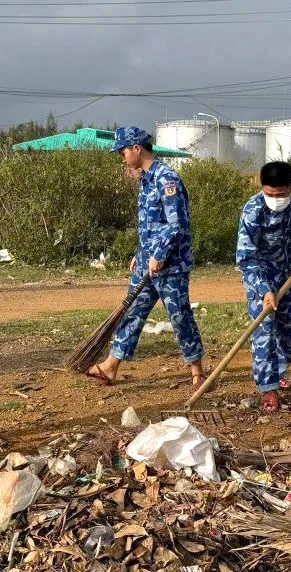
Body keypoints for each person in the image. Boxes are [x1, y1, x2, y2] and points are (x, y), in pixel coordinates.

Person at [85, 127, 205, 390]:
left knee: (179, 316)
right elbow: (151, 225)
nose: (122, 157)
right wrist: (140, 255)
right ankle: (111, 367)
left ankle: (197, 371)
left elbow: (177, 224)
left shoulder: (166, 179)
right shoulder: (146, 180)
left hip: (171, 265)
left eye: (123, 151)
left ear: (137, 148)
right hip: (147, 264)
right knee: (132, 311)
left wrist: (159, 255)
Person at [236, 161, 291, 413]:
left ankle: (279, 371)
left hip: (290, 273)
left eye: (281, 194)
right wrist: (263, 290)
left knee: (290, 332)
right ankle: (268, 388)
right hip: (261, 275)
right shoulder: (253, 211)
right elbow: (245, 258)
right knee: (264, 334)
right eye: (270, 194)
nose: (275, 199)